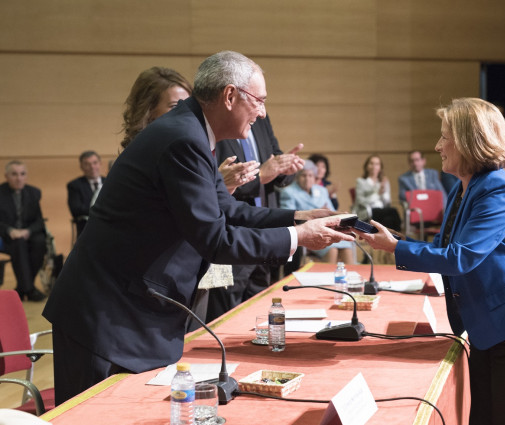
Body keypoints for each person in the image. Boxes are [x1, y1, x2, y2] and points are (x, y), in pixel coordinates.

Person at [42, 51, 353, 405]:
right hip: (105, 316)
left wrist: (298, 218)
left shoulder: (193, 131)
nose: (263, 113)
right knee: (96, 414)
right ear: (230, 96)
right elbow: (215, 239)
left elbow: (228, 209)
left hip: (127, 311)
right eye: (260, 101)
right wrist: (298, 237)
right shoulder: (183, 139)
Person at [355, 98, 505, 425]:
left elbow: (460, 258)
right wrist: (393, 239)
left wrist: (395, 249)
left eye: (444, 137)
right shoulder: (463, 187)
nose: (437, 146)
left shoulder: (499, 190)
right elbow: (442, 247)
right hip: (490, 324)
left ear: (469, 141)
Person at [209, 115, 304, 319]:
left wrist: (285, 168)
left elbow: (274, 157)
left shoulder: (261, 119)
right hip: (235, 233)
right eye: (257, 100)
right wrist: (260, 175)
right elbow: (217, 185)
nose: (261, 110)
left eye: (263, 102)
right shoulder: (217, 123)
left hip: (265, 229)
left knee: (260, 303)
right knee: (228, 310)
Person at [280, 160, 355, 264]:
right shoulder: (289, 192)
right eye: (303, 175)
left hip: (330, 228)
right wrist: (318, 212)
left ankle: (351, 278)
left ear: (314, 177)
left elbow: (332, 210)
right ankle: (327, 279)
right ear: (297, 177)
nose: (307, 179)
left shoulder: (321, 190)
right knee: (332, 250)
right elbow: (288, 216)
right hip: (309, 231)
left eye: (310, 175)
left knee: (347, 248)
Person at [0, 160, 47, 301]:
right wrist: (9, 230)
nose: (18, 178)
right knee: (19, 244)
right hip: (6, 236)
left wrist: (28, 231)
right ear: (6, 176)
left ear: (26, 176)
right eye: (14, 174)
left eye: (22, 174)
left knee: (40, 243)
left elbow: (39, 221)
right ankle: (29, 289)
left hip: (28, 233)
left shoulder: (34, 193)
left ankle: (22, 288)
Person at [354, 154, 401, 231]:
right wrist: (377, 194)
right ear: (366, 166)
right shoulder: (361, 182)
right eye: (371, 163)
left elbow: (387, 203)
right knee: (393, 211)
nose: (374, 166)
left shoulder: (383, 182)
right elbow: (360, 201)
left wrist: (383, 191)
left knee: (389, 220)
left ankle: (393, 241)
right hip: (368, 211)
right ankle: (401, 238)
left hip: (382, 211)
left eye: (377, 164)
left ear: (380, 167)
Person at [67, 150, 106, 236]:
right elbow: (76, 209)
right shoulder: (74, 185)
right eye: (87, 164)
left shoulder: (109, 182)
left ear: (100, 163)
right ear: (81, 167)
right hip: (87, 224)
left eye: (95, 163)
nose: (92, 167)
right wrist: (101, 211)